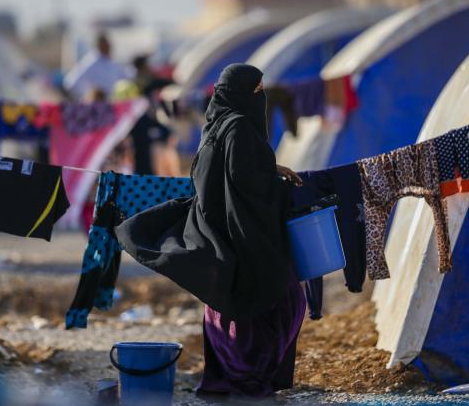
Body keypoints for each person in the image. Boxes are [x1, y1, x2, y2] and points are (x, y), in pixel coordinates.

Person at [116, 64, 306, 398]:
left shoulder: (216, 127)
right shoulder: (241, 129)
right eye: (257, 91)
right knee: (283, 300)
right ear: (243, 94)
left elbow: (226, 172)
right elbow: (246, 184)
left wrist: (270, 167)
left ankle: (231, 377)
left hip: (219, 234)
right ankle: (249, 377)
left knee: (227, 308)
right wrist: (278, 187)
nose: (261, 98)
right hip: (246, 236)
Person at [63, 33, 132, 100]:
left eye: (109, 44)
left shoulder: (112, 62)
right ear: (100, 45)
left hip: (112, 104)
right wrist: (89, 95)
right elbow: (70, 82)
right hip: (95, 106)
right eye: (106, 44)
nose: (109, 46)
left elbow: (125, 78)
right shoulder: (90, 61)